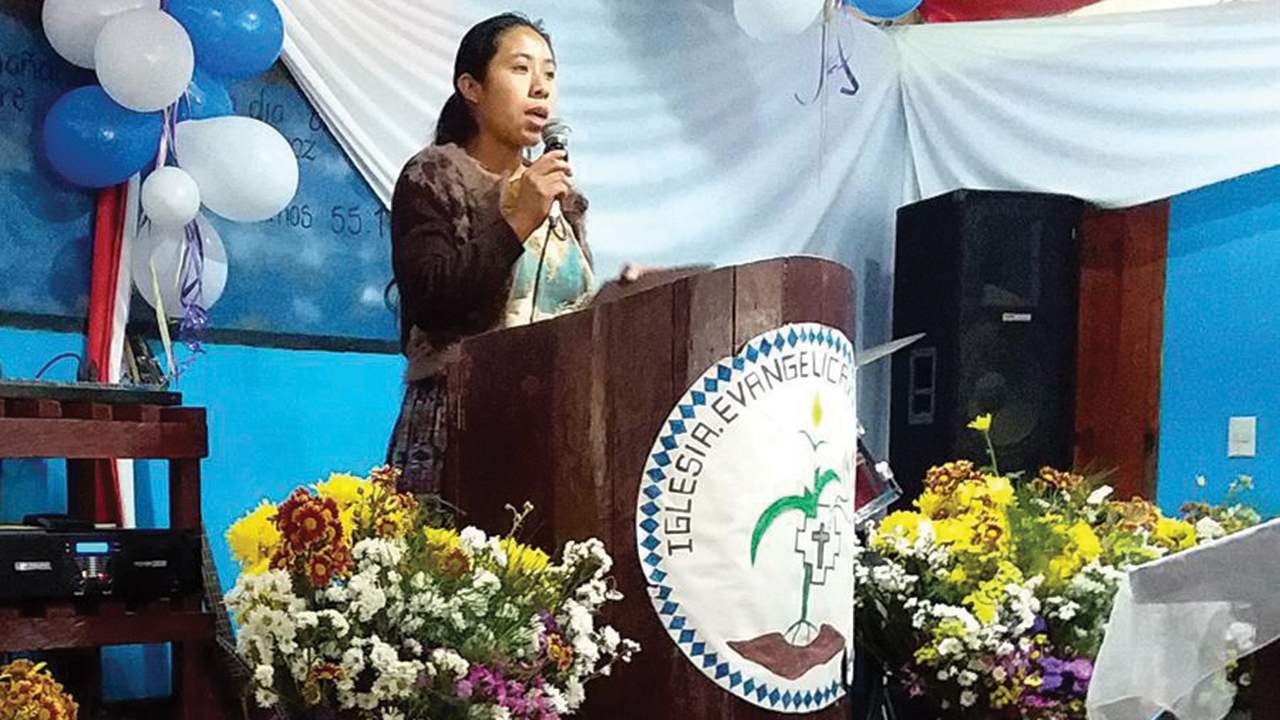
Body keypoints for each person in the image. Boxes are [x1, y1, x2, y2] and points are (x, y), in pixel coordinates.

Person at [386, 13, 593, 494]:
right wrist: (519, 221)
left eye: (549, 73)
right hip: (456, 420)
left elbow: (567, 313)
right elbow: (432, 298)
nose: (540, 88)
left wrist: (624, 295)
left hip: (550, 422)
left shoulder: (563, 199)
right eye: (521, 69)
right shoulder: (435, 176)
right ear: (471, 87)